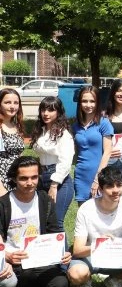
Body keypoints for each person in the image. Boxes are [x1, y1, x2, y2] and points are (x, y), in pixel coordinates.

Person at [0, 157, 70, 287]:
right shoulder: (3, 204)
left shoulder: (45, 200)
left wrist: (62, 252)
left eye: (34, 177)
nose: (30, 182)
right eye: (23, 178)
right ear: (14, 179)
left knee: (60, 285)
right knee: (18, 276)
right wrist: (6, 256)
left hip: (38, 259)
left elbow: (54, 231)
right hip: (13, 260)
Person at [30, 97, 74, 229]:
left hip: (59, 181)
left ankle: (63, 245)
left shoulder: (63, 134)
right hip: (41, 178)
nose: (46, 114)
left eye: (50, 110)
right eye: (43, 110)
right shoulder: (41, 131)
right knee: (43, 222)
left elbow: (65, 161)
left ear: (58, 112)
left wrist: (54, 185)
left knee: (56, 222)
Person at [73, 86, 114, 204]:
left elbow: (107, 152)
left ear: (97, 103)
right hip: (81, 175)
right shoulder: (75, 126)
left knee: (101, 211)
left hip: (99, 175)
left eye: (92, 101)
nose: (88, 105)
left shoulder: (104, 123)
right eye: (84, 101)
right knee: (83, 211)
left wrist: (97, 179)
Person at [0, 89, 25, 196]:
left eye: (16, 103)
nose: (12, 106)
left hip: (16, 180)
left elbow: (19, 155)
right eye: (7, 102)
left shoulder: (17, 126)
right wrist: (1, 188)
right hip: (2, 181)